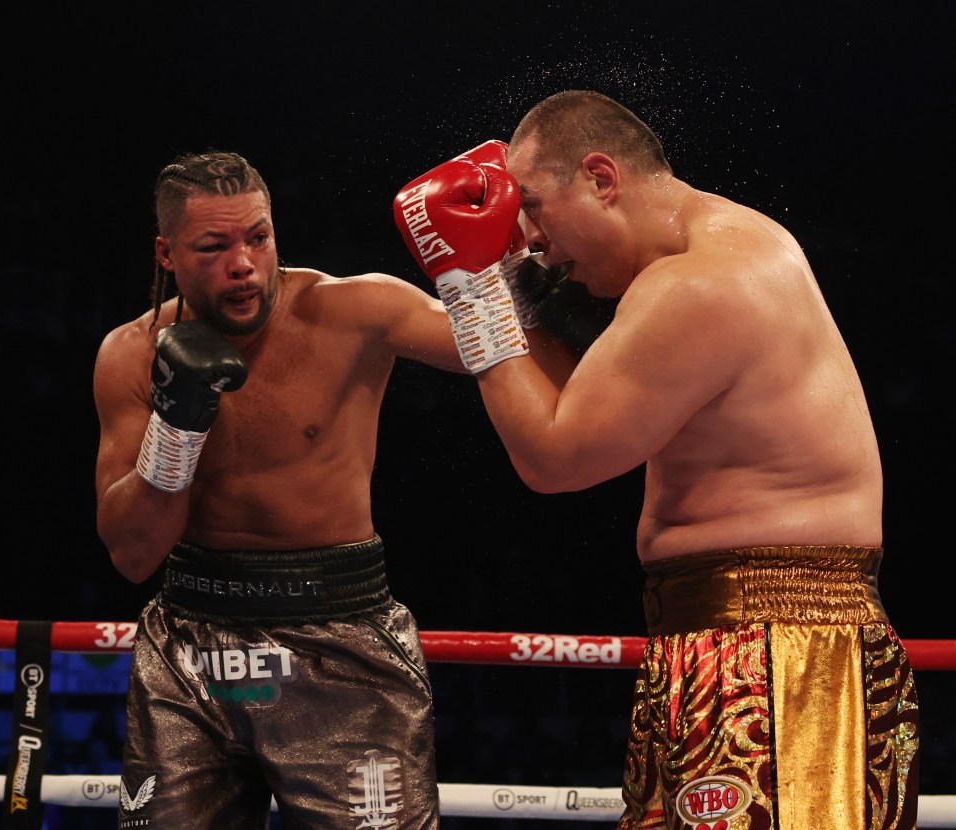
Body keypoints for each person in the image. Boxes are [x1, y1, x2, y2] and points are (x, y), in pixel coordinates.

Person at [393, 91, 920, 829]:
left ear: (602, 177)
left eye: (537, 209)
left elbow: (554, 455)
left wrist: (469, 285)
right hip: (735, 639)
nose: (532, 238)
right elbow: (572, 395)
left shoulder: (700, 284)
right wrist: (503, 276)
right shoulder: (719, 253)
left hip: (777, 654)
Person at [93, 150, 466, 828]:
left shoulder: (357, 311)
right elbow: (132, 554)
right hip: (191, 643)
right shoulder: (131, 354)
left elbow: (500, 349)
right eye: (214, 246)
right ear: (167, 252)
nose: (243, 263)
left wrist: (506, 260)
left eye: (257, 237)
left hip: (341, 637)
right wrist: (176, 430)